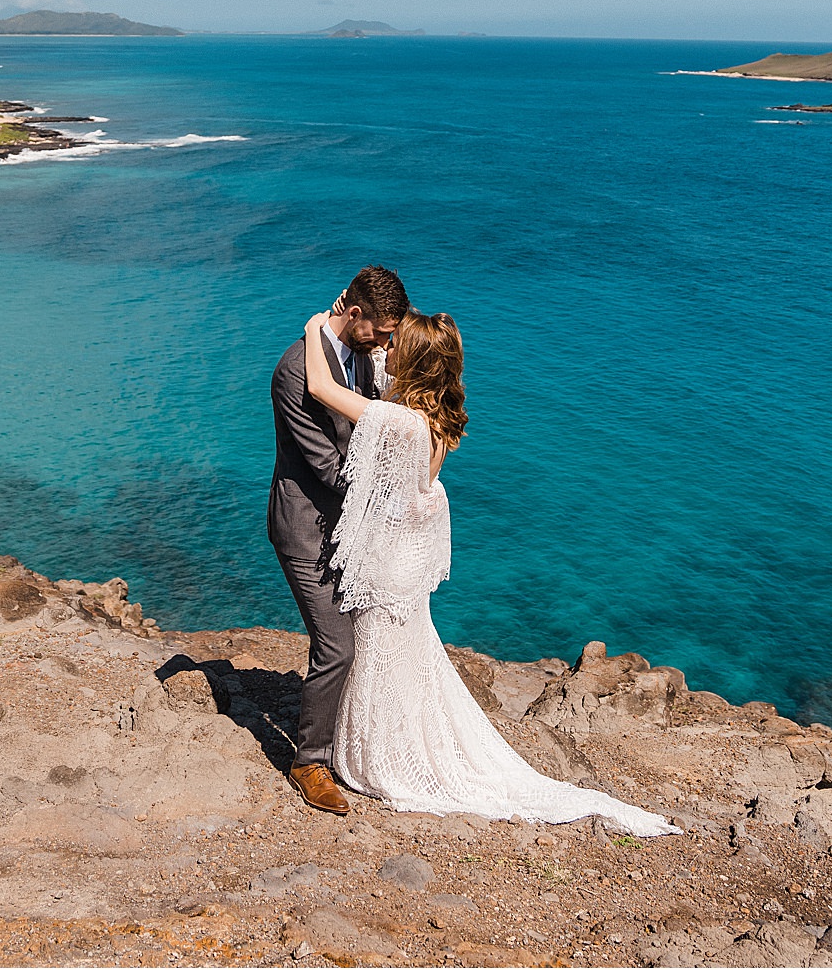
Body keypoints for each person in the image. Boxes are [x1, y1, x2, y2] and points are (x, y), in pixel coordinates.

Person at [298, 306, 681, 836]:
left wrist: (318, 326)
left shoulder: (399, 421)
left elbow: (320, 385)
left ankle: (378, 756)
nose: (387, 351)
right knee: (403, 659)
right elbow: (386, 376)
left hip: (388, 563)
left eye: (396, 346)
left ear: (413, 363)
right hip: (406, 561)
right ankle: (392, 741)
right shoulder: (433, 420)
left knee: (381, 657)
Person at [268, 265, 411, 815]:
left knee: (364, 637)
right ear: (353, 315)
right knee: (337, 645)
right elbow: (328, 467)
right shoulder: (294, 371)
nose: (387, 341)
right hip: (305, 526)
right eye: (381, 330)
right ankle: (309, 762)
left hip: (350, 528)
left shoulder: (363, 353)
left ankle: (351, 739)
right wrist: (398, 482)